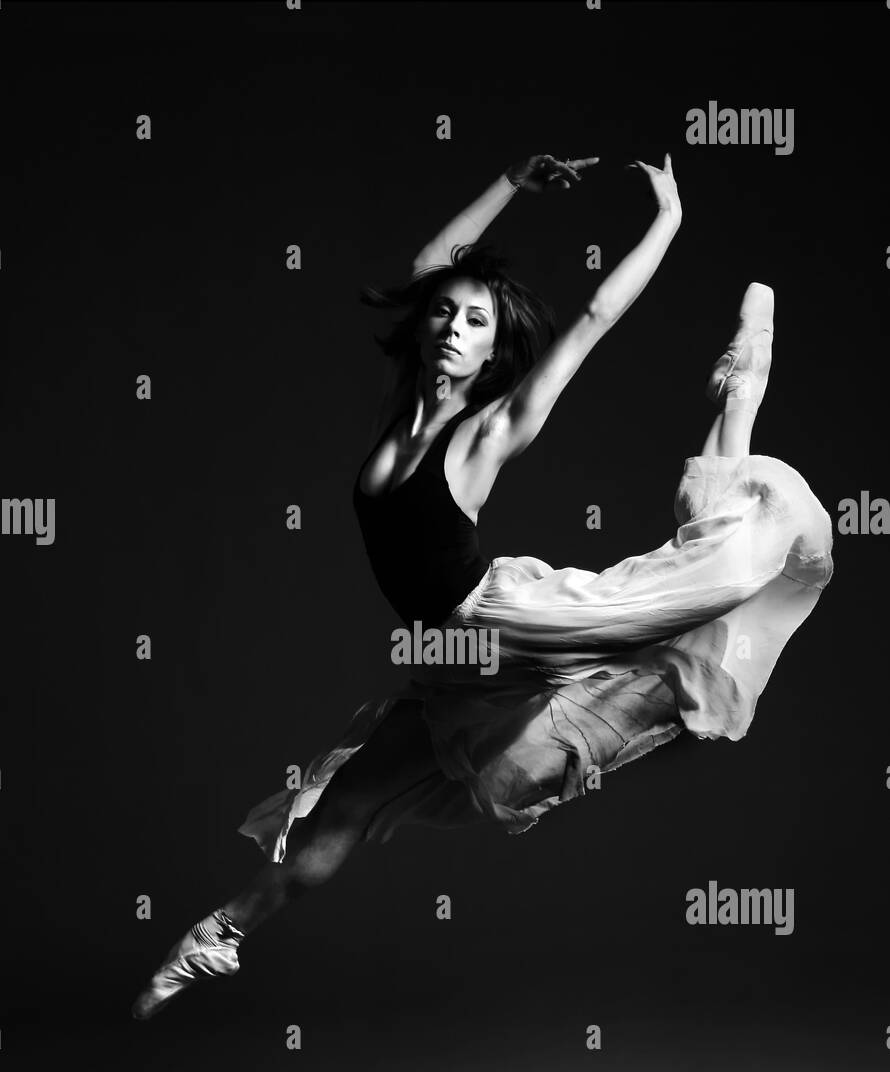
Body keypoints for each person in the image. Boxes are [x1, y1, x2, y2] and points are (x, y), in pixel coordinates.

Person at [131, 154, 833, 1022]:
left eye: (477, 323)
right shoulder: (399, 410)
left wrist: (668, 221)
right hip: (450, 661)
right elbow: (435, 264)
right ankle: (222, 935)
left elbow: (594, 316)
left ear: (494, 350)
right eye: (448, 315)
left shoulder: (490, 429)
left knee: (704, 584)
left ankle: (739, 401)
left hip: (506, 615)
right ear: (426, 325)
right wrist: (511, 182)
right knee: (342, 806)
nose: (457, 329)